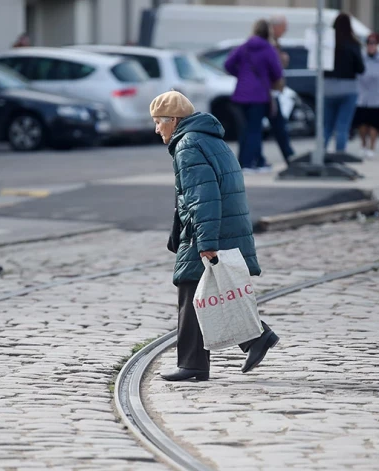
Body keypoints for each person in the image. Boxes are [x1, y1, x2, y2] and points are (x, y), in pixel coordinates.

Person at [150, 91, 280, 381]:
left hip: (208, 231)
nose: (157, 129)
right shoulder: (208, 138)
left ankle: (196, 363)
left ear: (173, 121)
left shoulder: (187, 146)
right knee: (204, 292)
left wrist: (206, 242)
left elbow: (203, 197)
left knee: (190, 289)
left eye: (159, 122)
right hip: (221, 229)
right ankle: (253, 339)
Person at [225, 19, 284, 173]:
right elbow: (277, 72)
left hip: (240, 95)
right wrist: (265, 78)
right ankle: (249, 163)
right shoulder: (268, 49)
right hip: (259, 96)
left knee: (244, 130)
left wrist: (240, 75)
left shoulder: (244, 47)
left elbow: (228, 64)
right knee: (255, 130)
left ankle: (246, 161)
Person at [322, 13, 365, 154]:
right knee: (342, 126)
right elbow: (361, 68)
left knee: (327, 125)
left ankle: (321, 153)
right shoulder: (353, 44)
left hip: (328, 87)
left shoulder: (328, 43)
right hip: (348, 88)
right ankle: (340, 155)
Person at [263, 15, 295, 165]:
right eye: (284, 26)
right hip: (268, 91)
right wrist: (281, 60)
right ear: (275, 27)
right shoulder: (269, 43)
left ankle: (288, 154)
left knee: (276, 125)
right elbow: (273, 67)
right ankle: (289, 155)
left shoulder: (273, 42)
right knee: (277, 124)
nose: (286, 30)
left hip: (269, 91)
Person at [355, 32, 379, 159]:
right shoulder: (361, 58)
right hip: (362, 96)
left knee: (374, 124)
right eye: (369, 43)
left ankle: (372, 147)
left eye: (374, 43)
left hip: (377, 96)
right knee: (362, 124)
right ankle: (363, 145)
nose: (371, 46)